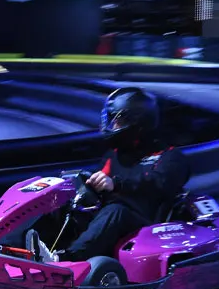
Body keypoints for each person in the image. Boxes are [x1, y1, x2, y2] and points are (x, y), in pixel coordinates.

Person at [27, 87, 190, 263]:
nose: (114, 126)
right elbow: (99, 186)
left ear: (138, 123)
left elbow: (159, 184)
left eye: (118, 121)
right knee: (60, 205)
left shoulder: (169, 156)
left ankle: (65, 260)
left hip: (147, 225)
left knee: (116, 210)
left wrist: (116, 184)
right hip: (109, 221)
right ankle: (16, 248)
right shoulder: (114, 156)